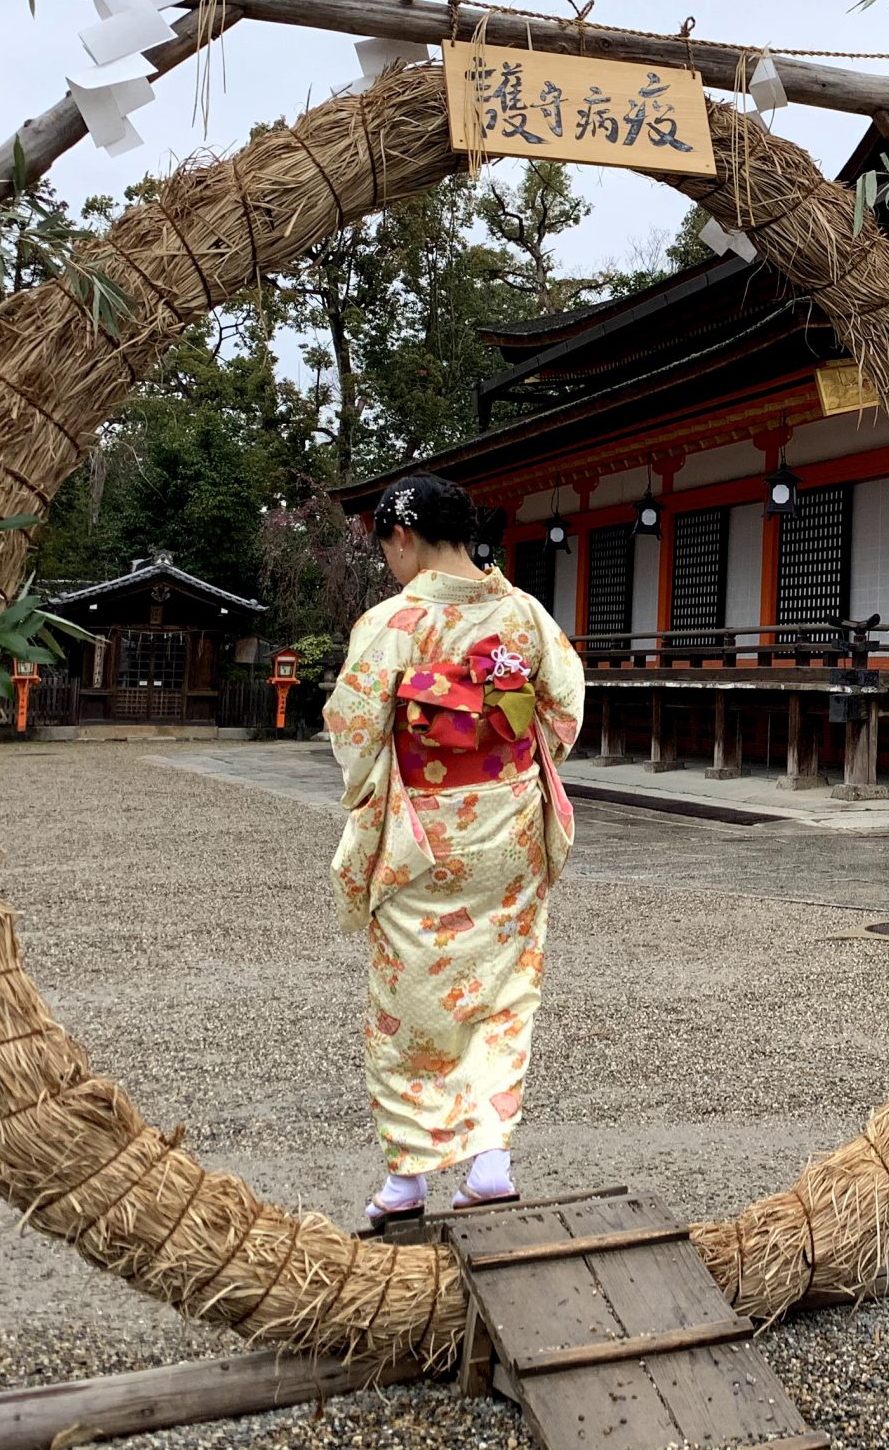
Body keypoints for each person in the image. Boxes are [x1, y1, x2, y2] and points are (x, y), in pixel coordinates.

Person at [323, 471, 585, 1229]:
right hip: (507, 831)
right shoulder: (524, 615)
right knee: (504, 993)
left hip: (422, 838)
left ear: (401, 536)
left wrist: (401, 768)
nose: (389, 565)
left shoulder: (391, 625)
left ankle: (406, 1181)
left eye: (387, 549)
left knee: (410, 1007)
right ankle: (491, 1163)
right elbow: (563, 708)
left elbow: (354, 732)